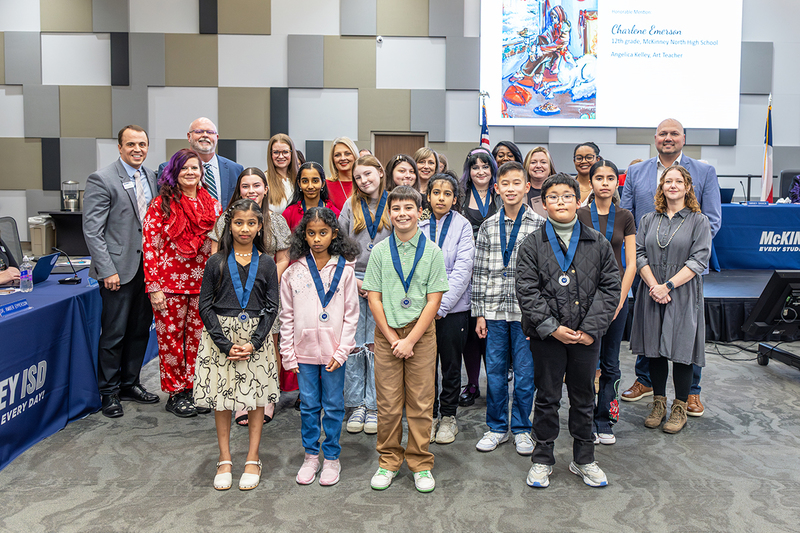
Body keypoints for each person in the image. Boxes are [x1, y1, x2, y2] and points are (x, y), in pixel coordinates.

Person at [516, 173, 620, 488]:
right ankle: (543, 458)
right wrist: (552, 328)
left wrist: (591, 329)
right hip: (547, 337)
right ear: (543, 203)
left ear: (578, 201)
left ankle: (584, 458)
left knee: (584, 396)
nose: (560, 201)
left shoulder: (597, 242)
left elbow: (610, 287)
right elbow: (527, 291)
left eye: (566, 196)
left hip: (586, 338)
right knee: (547, 397)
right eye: (553, 197)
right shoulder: (532, 243)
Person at [620, 118, 721, 417]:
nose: (668, 138)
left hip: (684, 273)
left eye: (674, 133)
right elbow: (628, 218)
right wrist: (650, 275)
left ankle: (690, 394)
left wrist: (688, 247)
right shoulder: (637, 172)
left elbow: (712, 220)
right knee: (651, 335)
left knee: (685, 338)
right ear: (655, 138)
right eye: (663, 133)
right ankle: (647, 383)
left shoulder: (704, 171)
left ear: (684, 138)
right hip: (648, 269)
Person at [363, 186, 449, 493]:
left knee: (421, 403)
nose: (402, 213)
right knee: (387, 405)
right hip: (387, 333)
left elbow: (433, 302)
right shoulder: (381, 252)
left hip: (421, 335)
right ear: (389, 213)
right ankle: (388, 461)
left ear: (420, 212)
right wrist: (390, 338)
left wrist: (410, 340)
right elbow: (374, 298)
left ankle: (420, 463)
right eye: (395, 208)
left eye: (408, 208)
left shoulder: (433, 252)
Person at [194, 198, 279, 491]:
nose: (245, 229)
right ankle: (225, 458)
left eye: (251, 223)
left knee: (256, 399)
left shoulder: (266, 263)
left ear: (259, 227)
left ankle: (253, 457)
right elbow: (205, 306)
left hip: (256, 339)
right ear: (229, 226)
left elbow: (271, 306)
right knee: (223, 400)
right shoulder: (216, 262)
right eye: (239, 222)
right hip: (221, 339)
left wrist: (255, 342)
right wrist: (223, 343)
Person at [83, 125, 160, 418]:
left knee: (140, 330)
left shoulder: (152, 177)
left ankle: (130, 383)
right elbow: (93, 230)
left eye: (142, 144)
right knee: (114, 333)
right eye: (131, 144)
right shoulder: (102, 179)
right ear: (119, 147)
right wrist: (107, 270)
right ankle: (109, 392)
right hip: (117, 270)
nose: (137, 149)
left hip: (148, 269)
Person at [281, 207, 360, 486]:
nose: (317, 239)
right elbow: (286, 315)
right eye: (311, 233)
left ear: (334, 234)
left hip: (334, 354)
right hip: (302, 353)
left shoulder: (345, 271)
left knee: (334, 406)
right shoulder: (293, 272)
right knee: (309, 406)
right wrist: (287, 352)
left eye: (323, 233)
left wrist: (342, 351)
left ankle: (331, 458)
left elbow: (352, 315)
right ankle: (311, 456)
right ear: (304, 234)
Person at [631, 166, 712, 434]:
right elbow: (639, 254)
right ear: (661, 187)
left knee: (681, 352)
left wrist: (668, 286)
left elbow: (699, 260)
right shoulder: (647, 220)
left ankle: (679, 407)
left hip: (683, 293)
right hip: (652, 291)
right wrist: (655, 286)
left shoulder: (699, 221)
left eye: (679, 181)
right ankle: (658, 404)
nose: (673, 185)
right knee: (653, 349)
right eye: (668, 181)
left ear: (688, 187)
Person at [208, 167, 291, 425]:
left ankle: (266, 397)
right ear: (239, 189)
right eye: (246, 186)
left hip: (266, 292)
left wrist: (263, 281)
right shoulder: (225, 219)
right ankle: (242, 399)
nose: (251, 190)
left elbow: (284, 258)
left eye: (257, 185)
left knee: (268, 344)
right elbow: (216, 257)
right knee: (237, 345)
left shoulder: (276, 221)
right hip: (232, 296)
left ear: (266, 189)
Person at [472, 161, 544, 455]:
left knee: (526, 374)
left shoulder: (540, 225)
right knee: (496, 373)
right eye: (506, 184)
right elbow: (478, 272)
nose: (511, 189)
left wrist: (541, 314)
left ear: (527, 187)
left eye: (517, 183)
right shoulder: (488, 226)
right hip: (494, 311)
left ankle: (523, 428)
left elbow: (544, 273)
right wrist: (478, 312)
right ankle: (497, 427)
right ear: (497, 189)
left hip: (526, 314)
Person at [143, 148, 219, 417]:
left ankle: (194, 388)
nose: (190, 172)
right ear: (174, 172)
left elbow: (218, 246)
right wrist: (154, 287)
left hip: (202, 284)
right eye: (184, 168)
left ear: (201, 172)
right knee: (171, 341)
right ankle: (176, 393)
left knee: (198, 340)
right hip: (168, 285)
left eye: (194, 168)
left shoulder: (211, 203)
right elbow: (150, 247)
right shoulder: (160, 205)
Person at [576, 160, 636, 445]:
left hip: (616, 298)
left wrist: (619, 300)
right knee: (587, 363)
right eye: (598, 178)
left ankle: (605, 420)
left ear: (616, 183)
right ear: (591, 182)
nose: (604, 183)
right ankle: (585, 420)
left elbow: (632, 264)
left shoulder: (625, 216)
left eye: (610, 178)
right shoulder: (579, 214)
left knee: (611, 363)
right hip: (585, 299)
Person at [418, 173, 475, 445]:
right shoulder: (417, 225)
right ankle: (429, 415)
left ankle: (449, 416)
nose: (441, 198)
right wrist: (426, 306)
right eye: (436, 192)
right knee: (425, 366)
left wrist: (440, 306)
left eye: (447, 193)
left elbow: (463, 269)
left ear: (455, 198)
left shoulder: (463, 226)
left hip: (453, 310)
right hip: (420, 309)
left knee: (451, 365)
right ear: (428, 196)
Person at [338, 155, 392, 435]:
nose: (363, 181)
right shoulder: (351, 205)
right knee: (355, 346)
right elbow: (339, 247)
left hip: (386, 284)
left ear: (380, 172)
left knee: (377, 345)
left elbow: (401, 245)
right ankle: (356, 405)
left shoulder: (394, 202)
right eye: (358, 177)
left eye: (368, 174)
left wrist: (383, 285)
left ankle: (375, 405)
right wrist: (354, 280)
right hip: (355, 281)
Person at [458, 147, 502, 407]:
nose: (480, 171)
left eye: (485, 166)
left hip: (495, 270)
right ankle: (472, 383)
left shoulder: (500, 193)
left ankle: (494, 385)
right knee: (470, 333)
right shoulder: (461, 195)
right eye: (475, 167)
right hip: (466, 271)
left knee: (492, 332)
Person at [158, 117, 243, 210]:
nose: (205, 135)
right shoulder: (168, 168)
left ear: (217, 138)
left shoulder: (235, 169)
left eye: (210, 132)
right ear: (189, 137)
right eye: (199, 132)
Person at [281, 162, 340, 232]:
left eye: (315, 181)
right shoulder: (289, 213)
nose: (310, 186)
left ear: (323, 183)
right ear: (299, 184)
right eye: (305, 181)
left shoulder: (335, 213)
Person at [266, 133, 300, 214]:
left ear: (292, 153)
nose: (281, 156)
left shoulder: (301, 179)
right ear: (270, 154)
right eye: (276, 152)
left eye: (285, 152)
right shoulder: (264, 180)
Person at [327, 137, 359, 211]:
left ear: (355, 156)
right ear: (333, 159)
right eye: (337, 155)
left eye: (347, 154)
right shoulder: (326, 186)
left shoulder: (364, 183)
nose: (343, 158)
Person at [523, 147, 557, 218]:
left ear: (550, 167)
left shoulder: (558, 191)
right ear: (527, 166)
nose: (538, 166)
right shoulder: (520, 192)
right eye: (533, 162)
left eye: (543, 162)